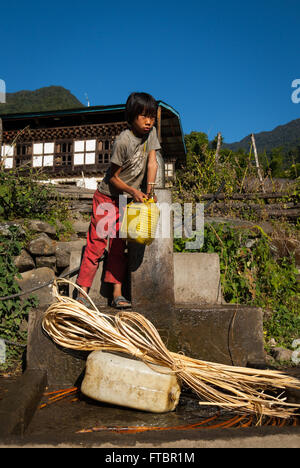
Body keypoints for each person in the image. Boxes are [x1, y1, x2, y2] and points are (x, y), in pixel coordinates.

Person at [76, 92, 161, 308]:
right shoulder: (123, 141)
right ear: (132, 117)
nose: (148, 121)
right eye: (143, 116)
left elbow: (152, 163)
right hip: (107, 196)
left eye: (151, 116)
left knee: (118, 245)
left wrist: (149, 189)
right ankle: (82, 295)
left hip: (126, 200)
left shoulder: (150, 134)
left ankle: (117, 294)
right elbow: (113, 179)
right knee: (96, 245)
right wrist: (134, 191)